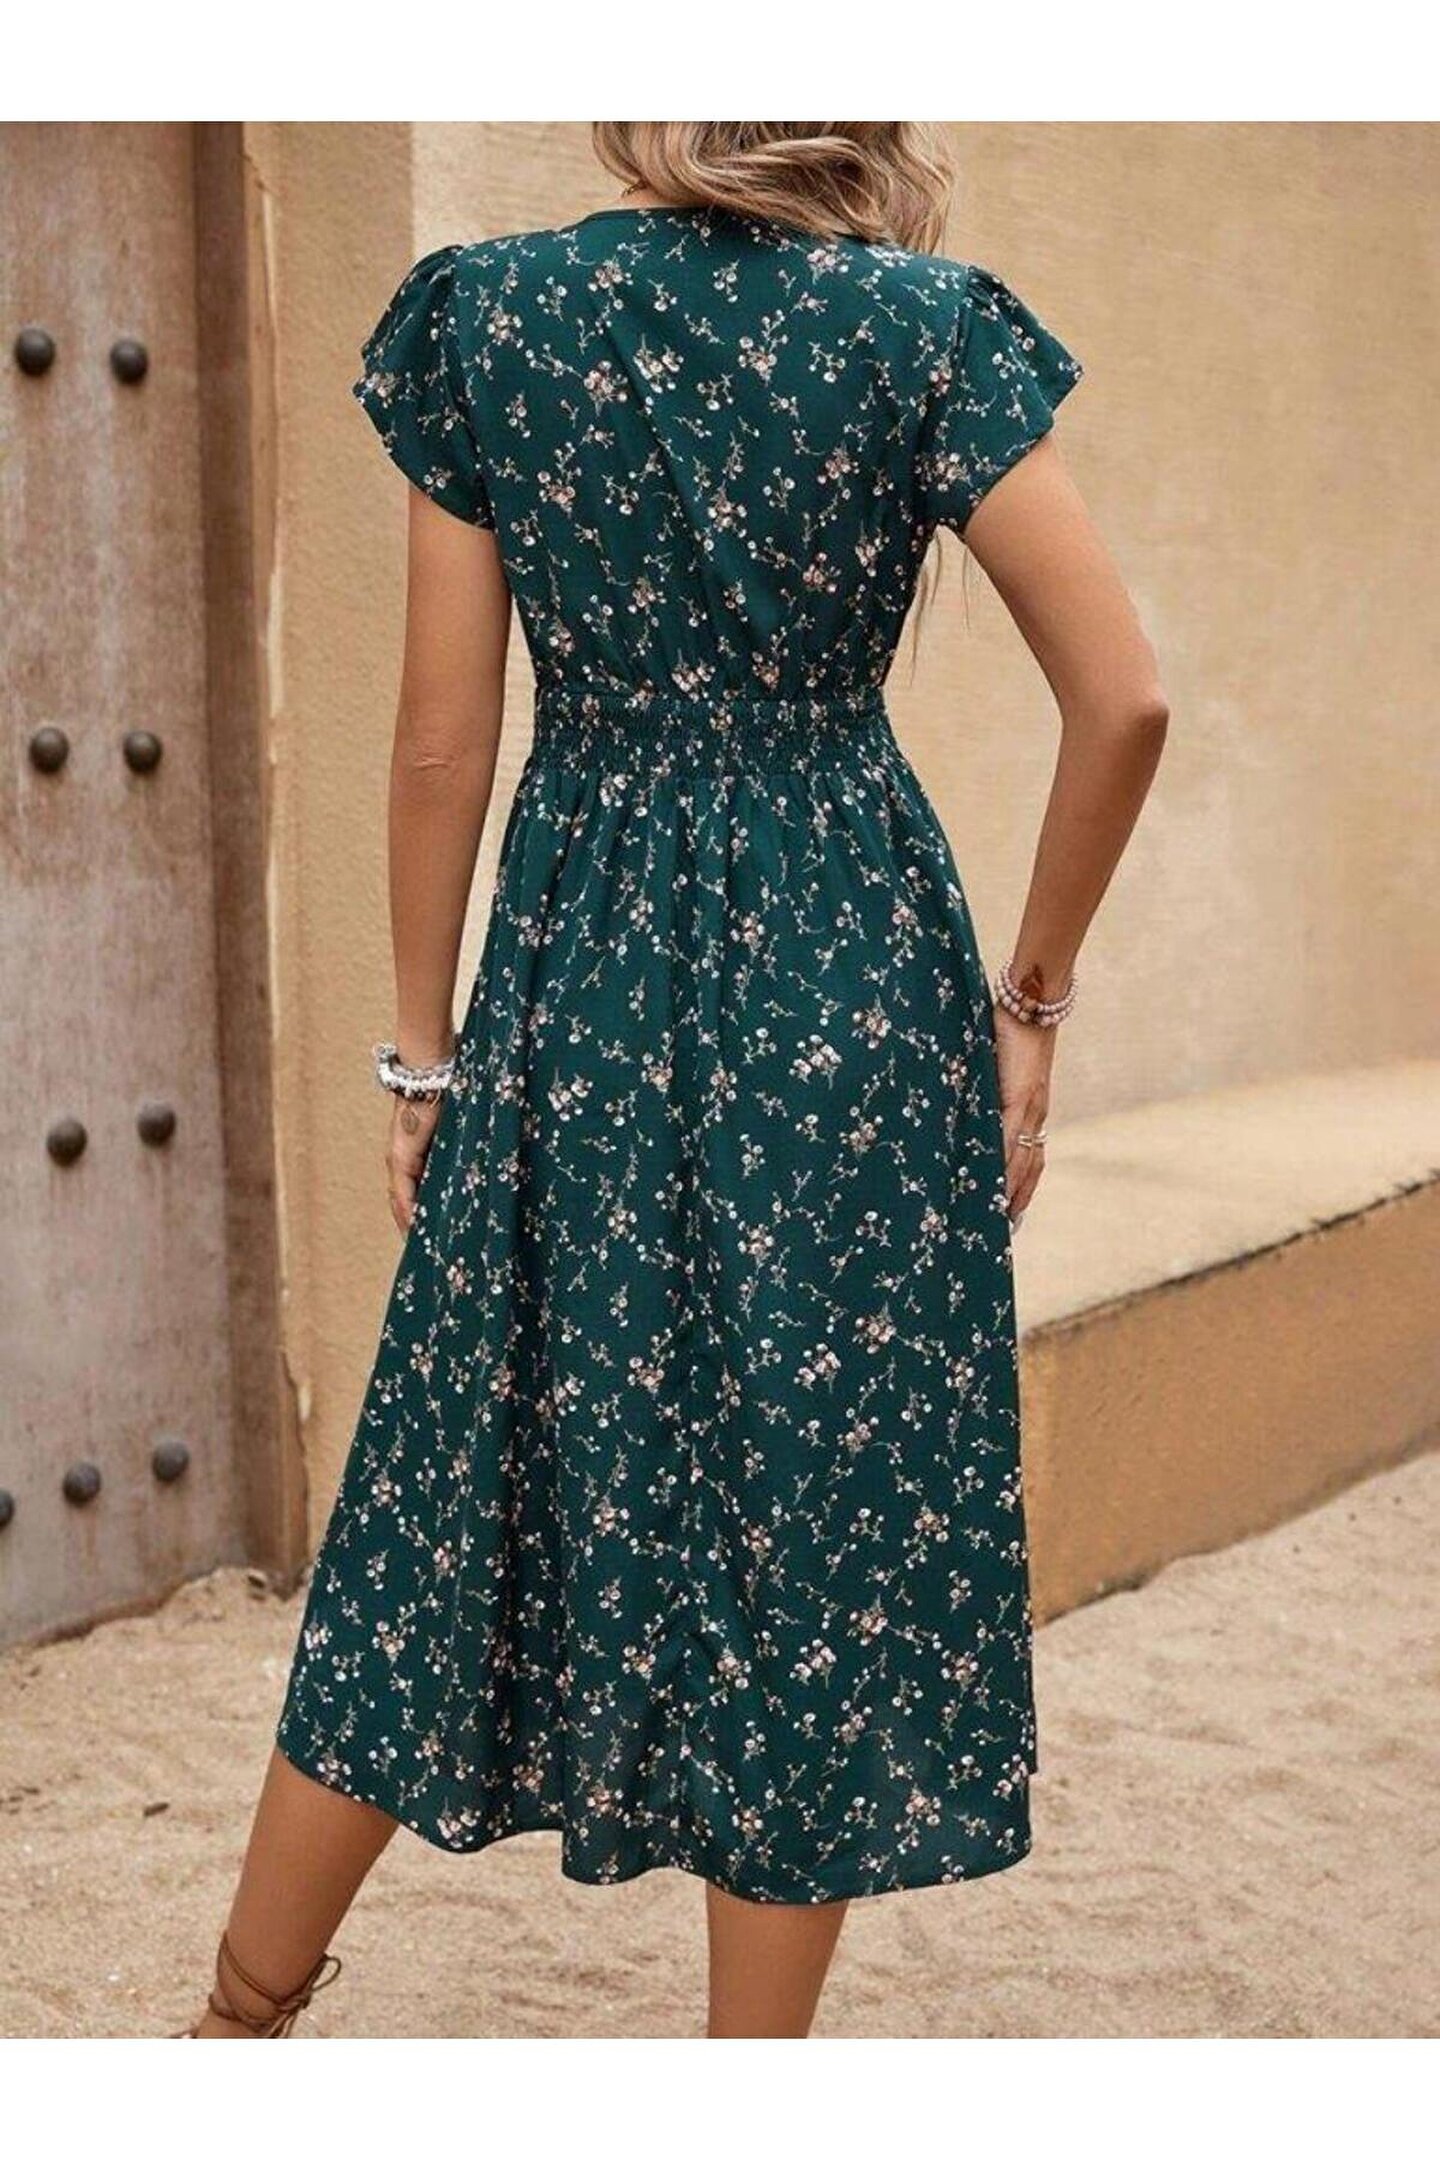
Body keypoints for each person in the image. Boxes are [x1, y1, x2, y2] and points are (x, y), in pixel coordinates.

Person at [178, 121, 1167, 2041]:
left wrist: (422, 1050)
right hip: (847, 966)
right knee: (810, 1511)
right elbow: (1123, 697)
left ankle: (233, 2024)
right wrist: (1031, 999)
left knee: (450, 1473)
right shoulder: (926, 330)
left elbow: (440, 741)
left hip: (580, 967)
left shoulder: (492, 317)